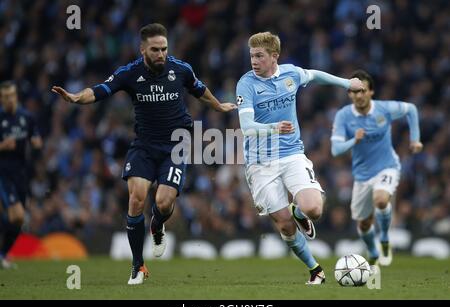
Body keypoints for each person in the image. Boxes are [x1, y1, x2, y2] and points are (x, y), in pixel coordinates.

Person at [52, 23, 236, 285]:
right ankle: (138, 266)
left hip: (175, 145)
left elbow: (199, 89)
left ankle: (158, 223)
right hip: (144, 146)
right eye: (155, 50)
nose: (161, 54)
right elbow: (99, 91)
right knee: (137, 199)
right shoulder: (129, 73)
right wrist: (74, 97)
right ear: (142, 50)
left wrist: (218, 106)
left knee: (163, 203)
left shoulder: (181, 69)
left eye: (164, 49)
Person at [235, 31, 364, 285]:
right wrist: (273, 128)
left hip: (292, 153)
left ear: (274, 56)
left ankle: (299, 210)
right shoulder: (246, 84)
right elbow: (247, 126)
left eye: (259, 56)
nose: (254, 61)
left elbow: (315, 75)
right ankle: (315, 269)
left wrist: (347, 83)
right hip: (261, 163)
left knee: (314, 209)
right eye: (251, 55)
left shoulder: (291, 74)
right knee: (284, 224)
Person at [331, 70, 422, 269]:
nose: (358, 95)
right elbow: (335, 150)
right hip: (362, 175)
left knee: (381, 200)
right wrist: (353, 140)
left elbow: (411, 109)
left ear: (371, 92)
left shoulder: (384, 109)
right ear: (349, 95)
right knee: (364, 224)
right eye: (354, 91)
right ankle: (372, 250)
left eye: (362, 90)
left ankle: (385, 239)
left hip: (387, 166)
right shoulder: (343, 116)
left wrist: (415, 139)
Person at [0, 81, 43, 269]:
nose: (10, 99)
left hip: (21, 173)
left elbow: (36, 138)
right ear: (1, 98)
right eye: (6, 96)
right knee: (16, 216)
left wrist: (36, 142)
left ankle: (3, 254)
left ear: (16, 96)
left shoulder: (27, 117)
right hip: (3, 172)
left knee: (19, 218)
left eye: (12, 95)